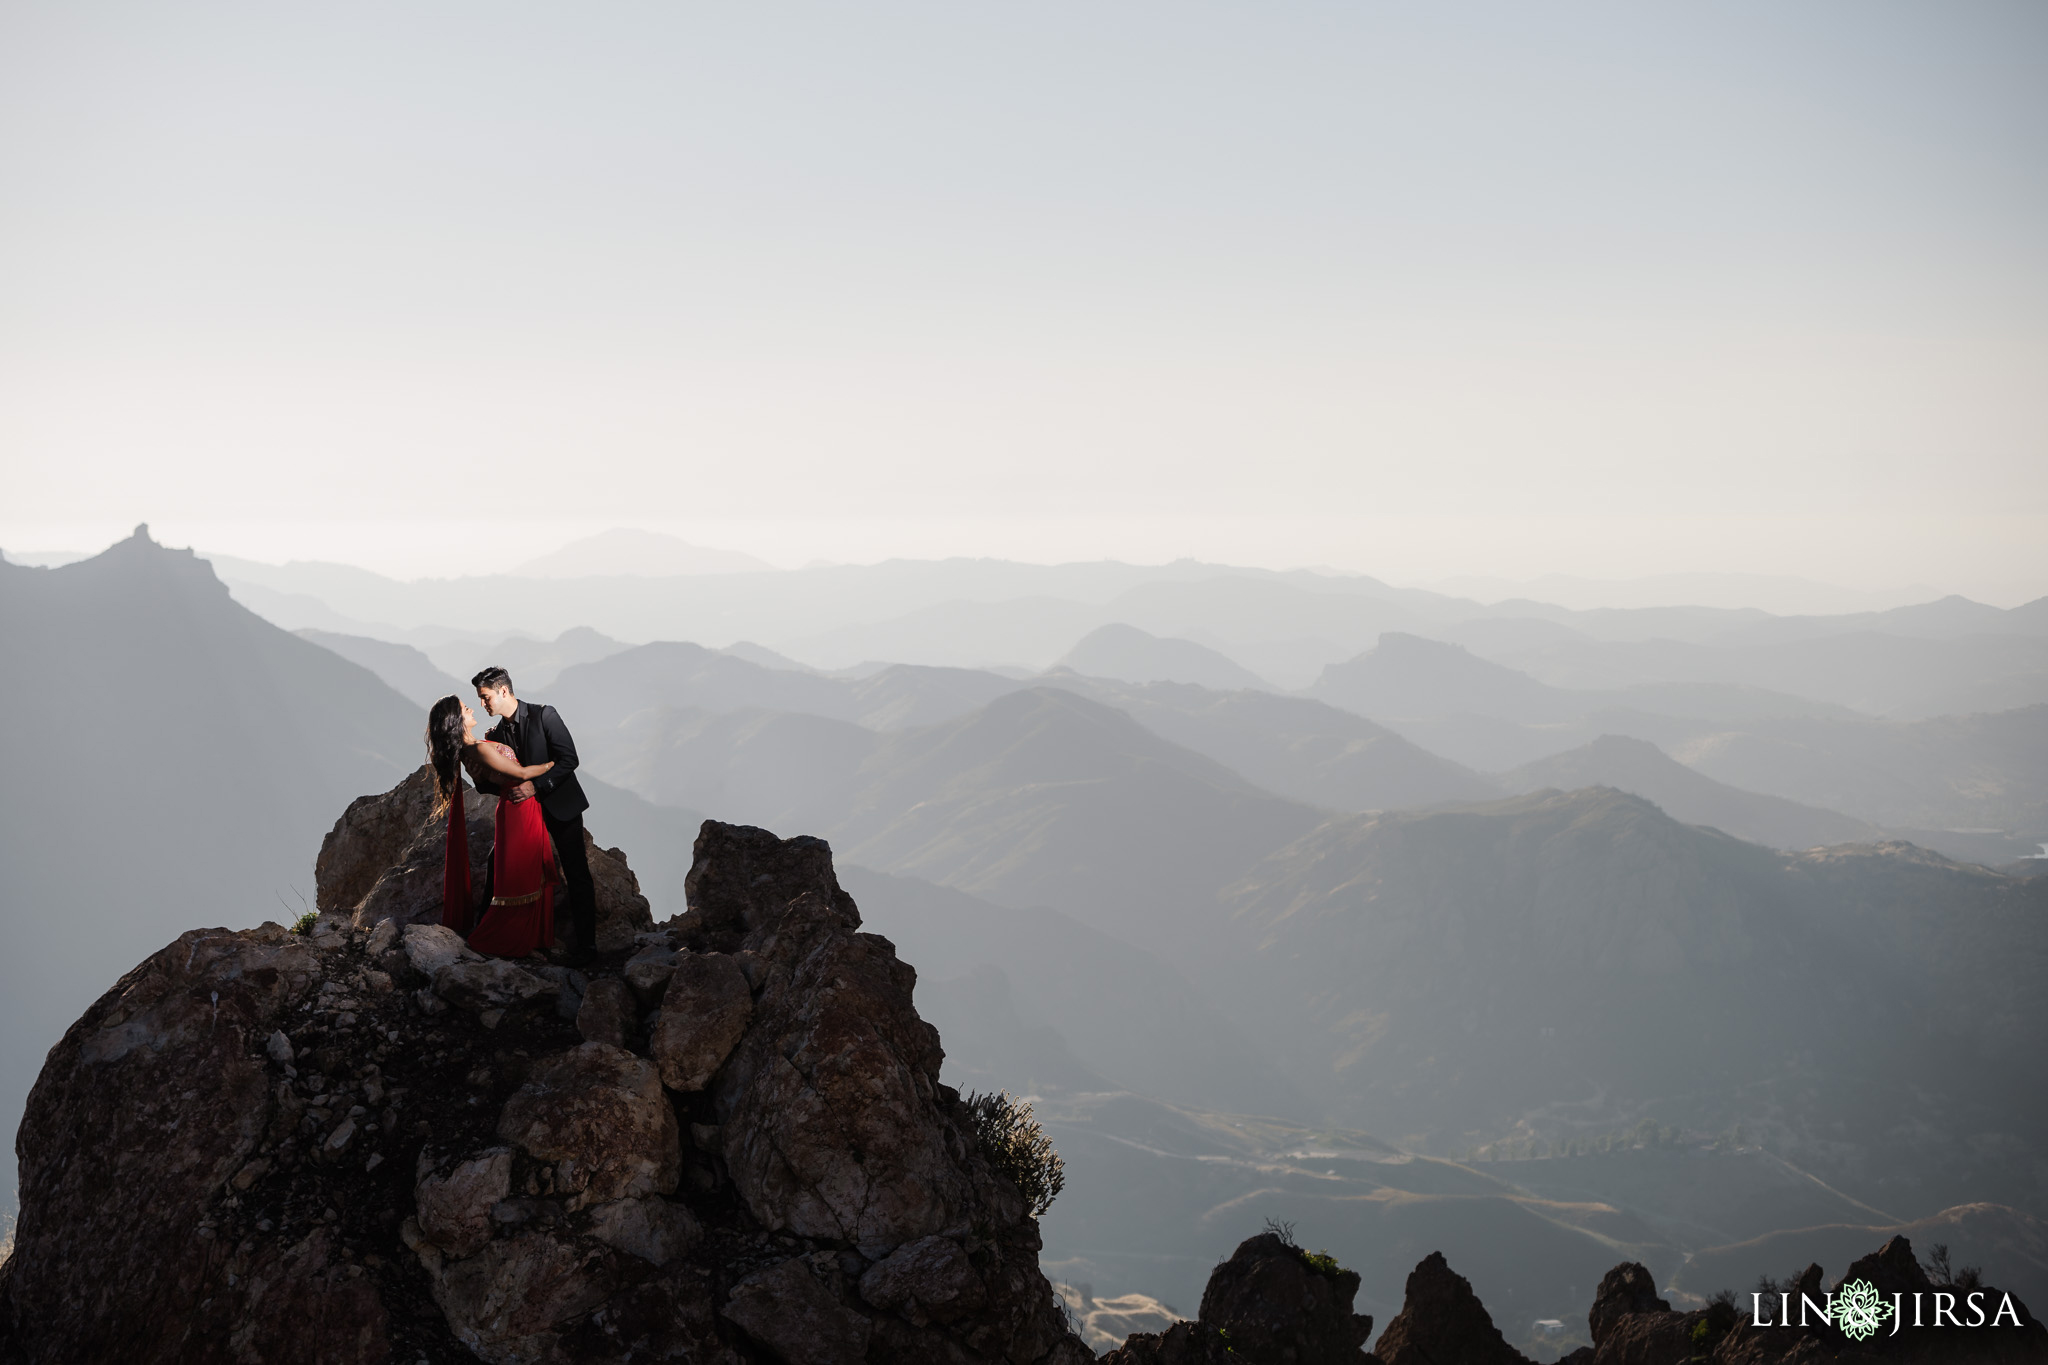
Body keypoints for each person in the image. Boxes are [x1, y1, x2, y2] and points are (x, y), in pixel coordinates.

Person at [469, 666, 598, 963]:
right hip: (522, 816)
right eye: (479, 699)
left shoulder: (544, 715)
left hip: (559, 805)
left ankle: (588, 948)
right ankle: (485, 931)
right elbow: (496, 787)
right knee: (495, 863)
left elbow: (569, 760)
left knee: (576, 872)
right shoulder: (496, 735)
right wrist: (478, 777)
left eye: (485, 697)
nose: (483, 704)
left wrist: (535, 787)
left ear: (503, 691)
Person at [425, 695, 560, 957]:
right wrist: (553, 764)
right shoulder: (479, 750)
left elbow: (495, 778)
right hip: (519, 808)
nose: (472, 709)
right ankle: (507, 937)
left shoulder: (474, 748)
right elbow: (519, 774)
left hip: (519, 805)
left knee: (527, 871)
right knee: (523, 874)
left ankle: (531, 937)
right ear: (457, 721)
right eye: (466, 708)